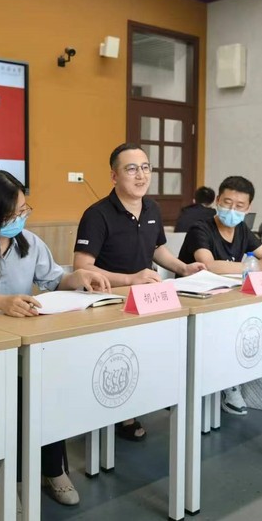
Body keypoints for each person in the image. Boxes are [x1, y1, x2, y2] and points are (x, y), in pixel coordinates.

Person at [0, 169, 110, 507]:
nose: (20, 218)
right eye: (12, 213)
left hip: (27, 344)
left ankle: (53, 469)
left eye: (23, 210)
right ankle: (9, 477)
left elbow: (54, 279)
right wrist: (1, 302)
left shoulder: (29, 242)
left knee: (51, 386)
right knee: (19, 395)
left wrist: (79, 277)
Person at [73, 142, 205, 440]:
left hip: (147, 299)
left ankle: (150, 398)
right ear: (114, 176)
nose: (141, 175)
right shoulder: (97, 214)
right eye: (131, 169)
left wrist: (183, 268)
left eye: (145, 168)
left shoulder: (152, 208)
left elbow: (157, 248)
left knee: (161, 350)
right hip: (109, 304)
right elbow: (82, 266)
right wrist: (130, 279)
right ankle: (123, 414)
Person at [179, 175, 262, 414]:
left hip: (227, 299)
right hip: (195, 302)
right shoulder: (200, 228)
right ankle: (228, 383)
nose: (232, 210)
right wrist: (256, 266)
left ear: (248, 208)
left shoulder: (242, 229)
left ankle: (247, 376)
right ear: (217, 200)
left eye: (239, 206)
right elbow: (208, 265)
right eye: (227, 203)